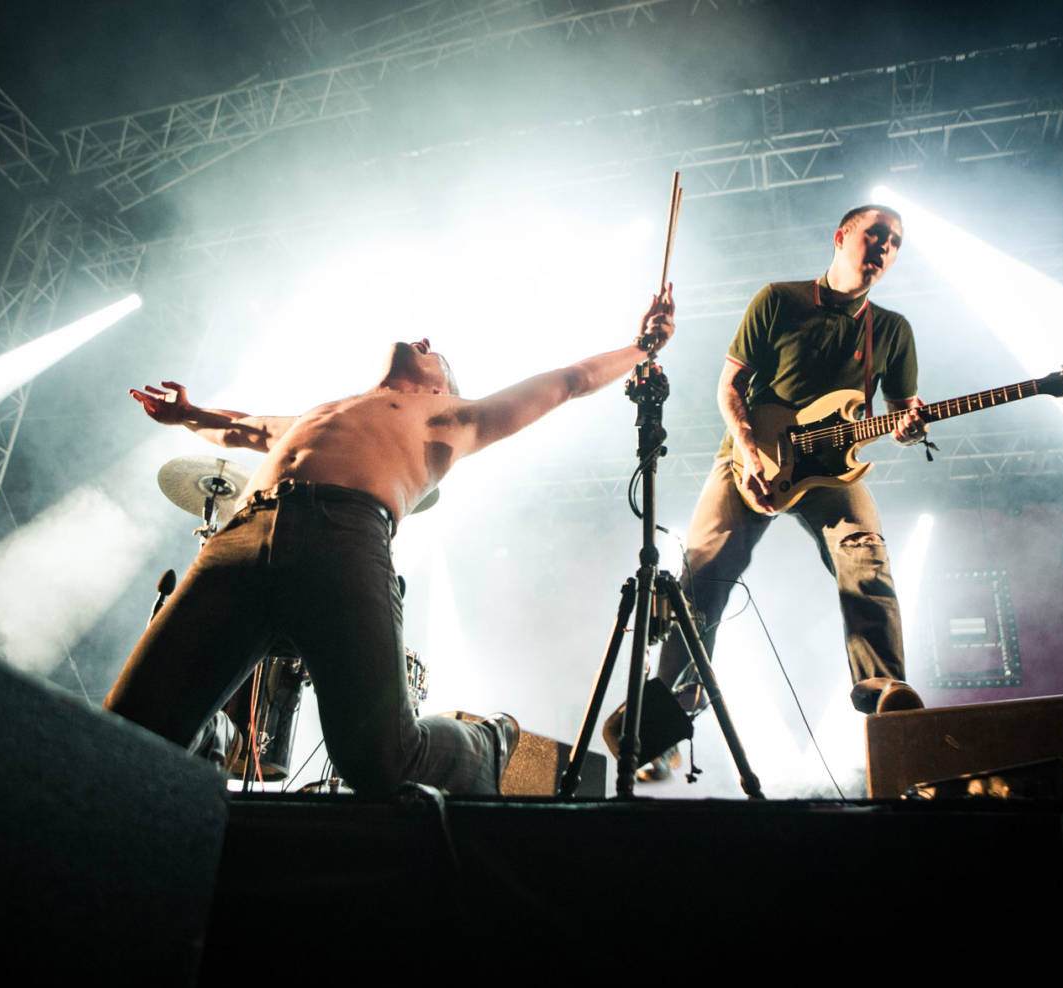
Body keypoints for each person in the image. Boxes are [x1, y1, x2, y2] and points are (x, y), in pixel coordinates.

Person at [105, 287, 676, 795]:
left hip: (345, 537)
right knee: (125, 730)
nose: (424, 340)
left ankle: (488, 745)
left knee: (379, 760)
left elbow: (568, 381)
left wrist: (640, 348)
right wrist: (188, 414)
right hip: (241, 537)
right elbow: (245, 428)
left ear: (441, 385)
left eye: (437, 353)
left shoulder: (453, 417)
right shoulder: (324, 410)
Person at [616, 205, 927, 781]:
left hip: (832, 473)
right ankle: (667, 721)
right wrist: (750, 450)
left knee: (866, 552)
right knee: (702, 572)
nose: (884, 248)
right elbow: (729, 384)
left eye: (895, 243)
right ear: (841, 237)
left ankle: (882, 689)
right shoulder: (779, 300)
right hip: (753, 454)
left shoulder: (892, 330)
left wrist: (911, 427)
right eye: (874, 235)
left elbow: (905, 413)